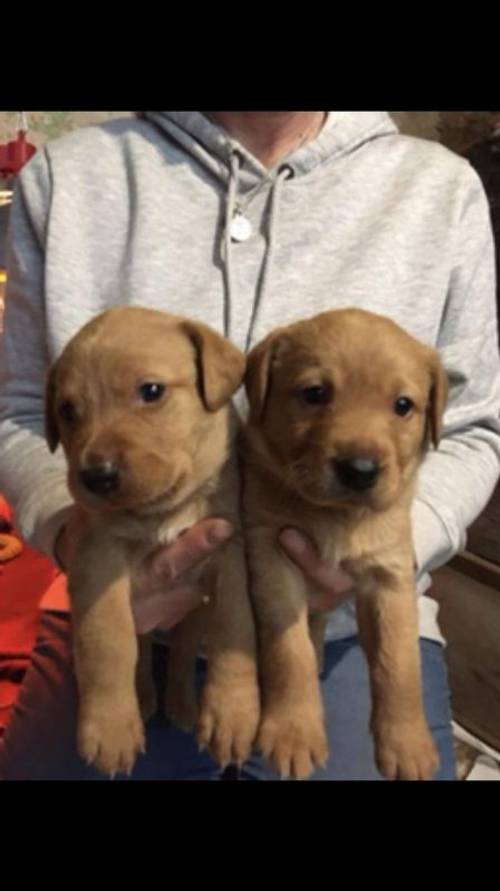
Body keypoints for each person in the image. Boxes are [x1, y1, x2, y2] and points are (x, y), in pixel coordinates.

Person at [0, 111, 499, 780]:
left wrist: (393, 539)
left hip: (352, 623)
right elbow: (21, 410)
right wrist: (76, 540)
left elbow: (472, 426)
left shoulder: (439, 188)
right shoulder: (67, 178)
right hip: (117, 595)